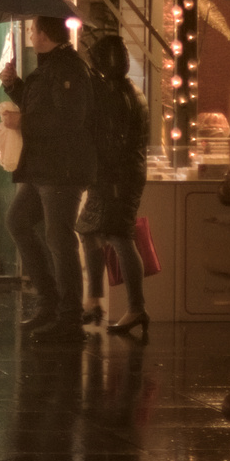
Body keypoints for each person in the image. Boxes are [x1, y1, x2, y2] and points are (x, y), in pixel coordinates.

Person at [0, 15, 96, 344]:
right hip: (42, 167)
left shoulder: (69, 68)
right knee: (18, 221)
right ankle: (49, 301)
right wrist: (14, 87)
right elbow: (42, 107)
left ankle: (68, 315)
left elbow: (68, 119)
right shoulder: (50, 67)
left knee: (59, 238)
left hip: (62, 169)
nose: (29, 34)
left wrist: (22, 122)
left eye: (32, 29)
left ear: (44, 34)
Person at [77, 36, 150, 336]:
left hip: (116, 175)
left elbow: (110, 139)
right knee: (90, 230)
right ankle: (95, 300)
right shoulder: (130, 91)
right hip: (123, 173)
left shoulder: (116, 95)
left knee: (120, 236)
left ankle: (135, 308)